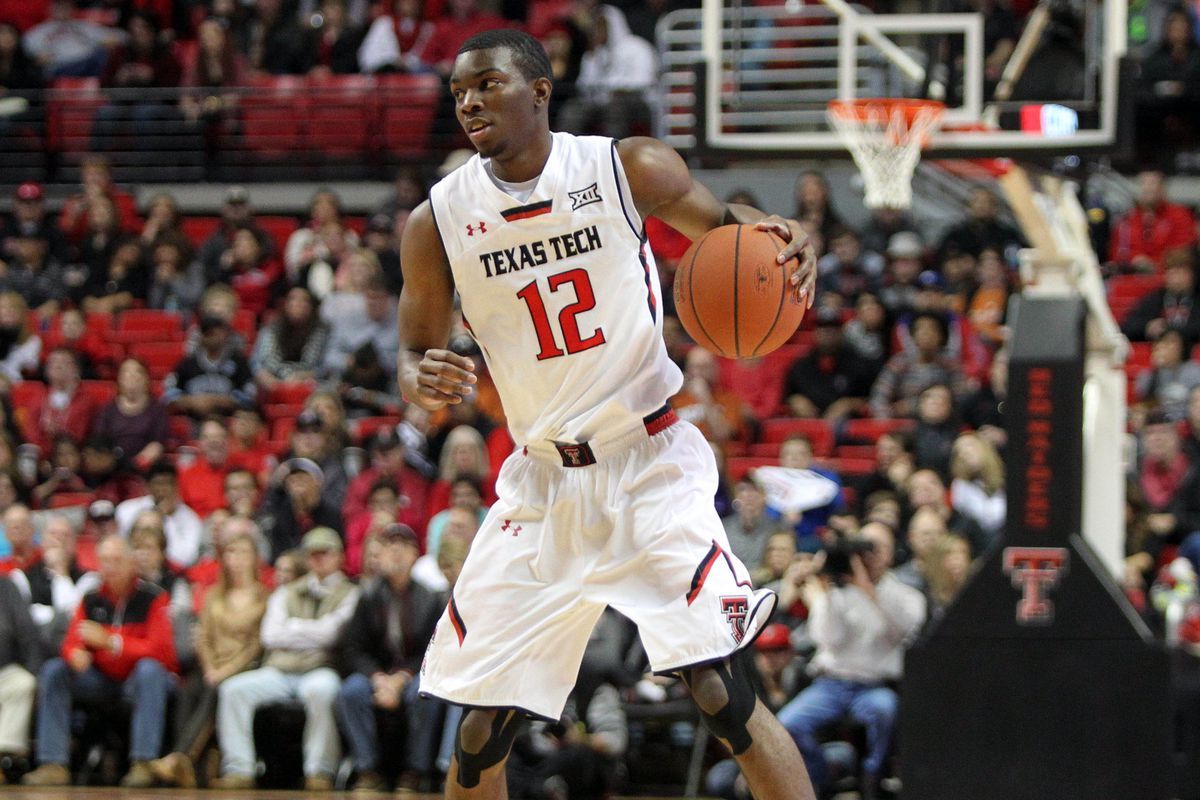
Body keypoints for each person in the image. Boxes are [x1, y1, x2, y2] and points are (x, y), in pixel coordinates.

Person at [396, 29, 818, 800]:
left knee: (721, 691)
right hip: (542, 481)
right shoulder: (437, 221)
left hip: (647, 459)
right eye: (459, 92)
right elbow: (412, 350)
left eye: (487, 84)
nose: (469, 102)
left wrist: (797, 234)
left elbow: (734, 230)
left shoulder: (626, 167)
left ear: (539, 90)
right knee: (479, 730)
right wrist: (420, 376)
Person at [776, 522, 925, 800]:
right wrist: (830, 584)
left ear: (891, 553)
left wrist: (869, 590)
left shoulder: (906, 594)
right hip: (831, 684)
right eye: (864, 547)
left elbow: (908, 630)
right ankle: (822, 780)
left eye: (877, 548)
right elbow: (827, 638)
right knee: (787, 724)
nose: (870, 555)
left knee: (885, 712)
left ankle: (872, 778)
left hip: (875, 685)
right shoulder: (838, 594)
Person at [23, 535, 178, 788]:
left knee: (150, 670)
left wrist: (112, 642)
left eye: (117, 560)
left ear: (132, 564)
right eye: (104, 561)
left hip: (140, 681)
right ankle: (53, 764)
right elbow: (72, 641)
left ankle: (143, 762)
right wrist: (74, 654)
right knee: (55, 670)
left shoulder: (153, 599)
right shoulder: (91, 599)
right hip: (101, 678)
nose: (110, 567)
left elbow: (164, 654)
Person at [214, 527, 359, 791]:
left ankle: (320, 770)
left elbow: (332, 635)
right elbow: (270, 635)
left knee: (323, 691)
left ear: (339, 556)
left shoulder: (351, 593)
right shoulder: (287, 591)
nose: (318, 559)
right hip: (279, 670)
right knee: (232, 690)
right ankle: (239, 768)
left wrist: (292, 629)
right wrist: (312, 632)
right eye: (312, 554)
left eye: (324, 553)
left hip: (321, 668)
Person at [149, 527, 269, 788]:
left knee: (217, 689)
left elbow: (256, 646)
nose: (235, 559)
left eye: (242, 552)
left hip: (244, 666)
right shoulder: (215, 594)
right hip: (211, 665)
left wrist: (226, 670)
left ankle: (180, 758)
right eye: (230, 553)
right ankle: (185, 763)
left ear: (254, 558)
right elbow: (203, 636)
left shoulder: (263, 597)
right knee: (189, 688)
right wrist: (210, 666)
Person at [335, 522, 444, 791]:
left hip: (415, 673)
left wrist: (402, 677)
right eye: (390, 545)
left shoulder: (430, 598)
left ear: (415, 555)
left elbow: (433, 649)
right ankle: (367, 768)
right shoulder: (368, 595)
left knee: (424, 693)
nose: (396, 552)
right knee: (350, 692)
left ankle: (415, 771)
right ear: (379, 553)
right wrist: (378, 678)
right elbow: (353, 649)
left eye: (404, 546)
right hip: (376, 673)